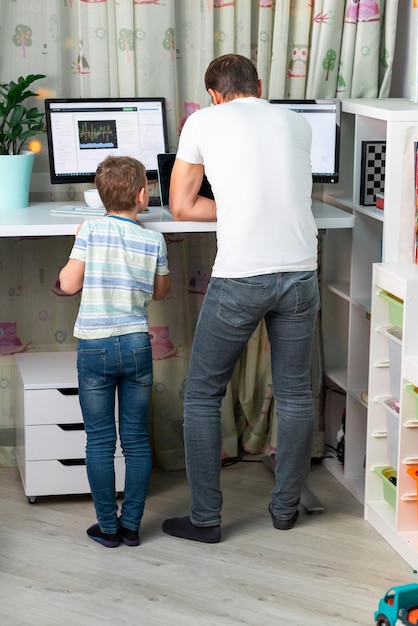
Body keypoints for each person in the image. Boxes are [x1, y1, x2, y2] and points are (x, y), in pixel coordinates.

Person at [162, 54, 320, 543]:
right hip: (301, 271)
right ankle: (286, 508)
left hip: (242, 277)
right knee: (295, 393)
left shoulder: (202, 121)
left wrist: (230, 208)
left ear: (214, 94)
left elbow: (182, 205)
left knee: (203, 393)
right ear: (259, 84)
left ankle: (207, 520)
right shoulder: (296, 122)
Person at [59, 156, 170, 548]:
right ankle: (132, 526)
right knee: (136, 440)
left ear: (99, 196)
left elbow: (69, 284)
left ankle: (108, 527)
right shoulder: (154, 239)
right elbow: (160, 292)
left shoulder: (89, 230)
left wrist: (79, 243)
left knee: (100, 441)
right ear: (143, 195)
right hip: (137, 345)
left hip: (95, 347)